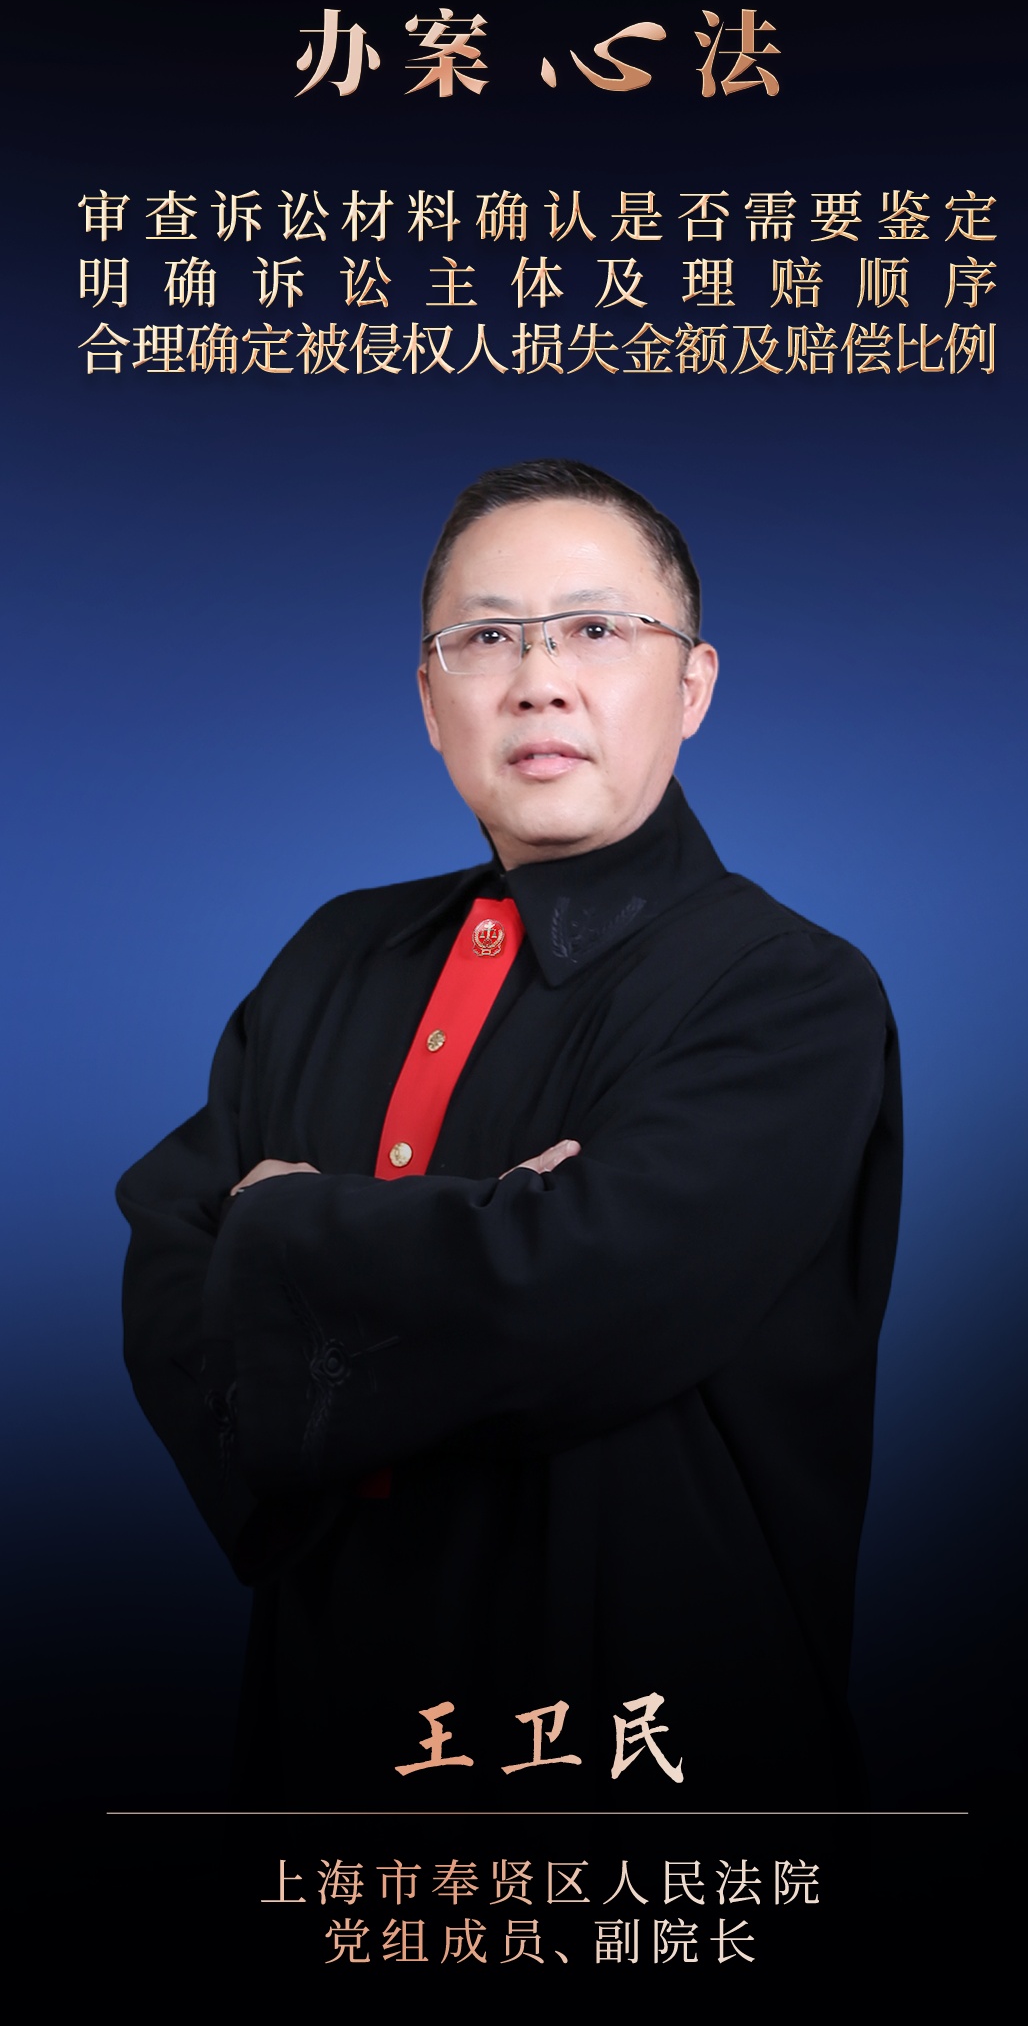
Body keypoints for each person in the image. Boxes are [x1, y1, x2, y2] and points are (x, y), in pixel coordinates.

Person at [117, 458, 902, 1810]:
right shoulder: (338, 952)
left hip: (655, 1730)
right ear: (432, 701)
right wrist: (481, 1231)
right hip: (336, 1719)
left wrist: (281, 1222)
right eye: (486, 639)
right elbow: (163, 1264)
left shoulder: (791, 990)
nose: (540, 681)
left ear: (694, 686)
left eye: (597, 629)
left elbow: (581, 1298)